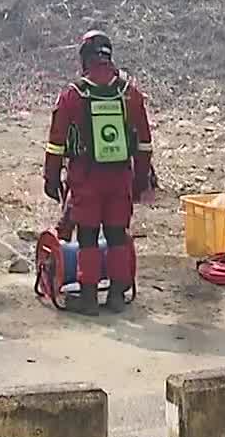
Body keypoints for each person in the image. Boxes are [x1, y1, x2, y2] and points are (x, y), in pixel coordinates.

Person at [43, 31, 154, 315]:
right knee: (117, 235)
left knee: (89, 237)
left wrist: (51, 178)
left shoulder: (73, 94)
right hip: (120, 179)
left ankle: (89, 297)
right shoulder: (130, 92)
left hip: (85, 179)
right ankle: (117, 294)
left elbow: (56, 142)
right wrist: (141, 179)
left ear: (84, 58)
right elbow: (143, 142)